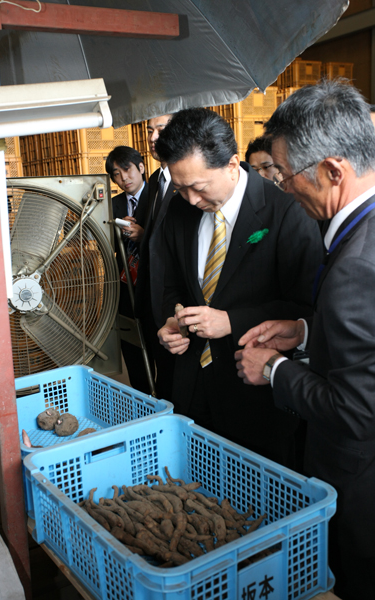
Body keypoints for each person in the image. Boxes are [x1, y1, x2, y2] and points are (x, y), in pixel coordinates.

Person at [234, 79, 375, 600]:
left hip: (361, 485)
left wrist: (273, 369)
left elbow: (357, 410)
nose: (284, 190)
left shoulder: (356, 264)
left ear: (333, 170)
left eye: (288, 176)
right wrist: (308, 330)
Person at [155, 107, 323, 469]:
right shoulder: (178, 211)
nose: (191, 200)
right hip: (192, 388)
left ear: (232, 165)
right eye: (180, 187)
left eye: (198, 187)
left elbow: (307, 309)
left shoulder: (287, 212)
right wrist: (173, 321)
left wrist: (232, 320)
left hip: (254, 394)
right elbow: (171, 286)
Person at [134, 115, 177, 400]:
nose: (152, 138)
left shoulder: (188, 185)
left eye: (160, 129)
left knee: (176, 378)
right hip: (150, 295)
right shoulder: (154, 180)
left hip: (175, 302)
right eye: (150, 130)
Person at [106, 145, 152, 393]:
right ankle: (141, 398)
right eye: (116, 174)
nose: (123, 178)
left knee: (157, 348)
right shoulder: (112, 206)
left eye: (127, 169)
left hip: (152, 287)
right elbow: (106, 246)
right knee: (132, 349)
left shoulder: (157, 199)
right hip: (124, 287)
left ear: (141, 168)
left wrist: (143, 235)